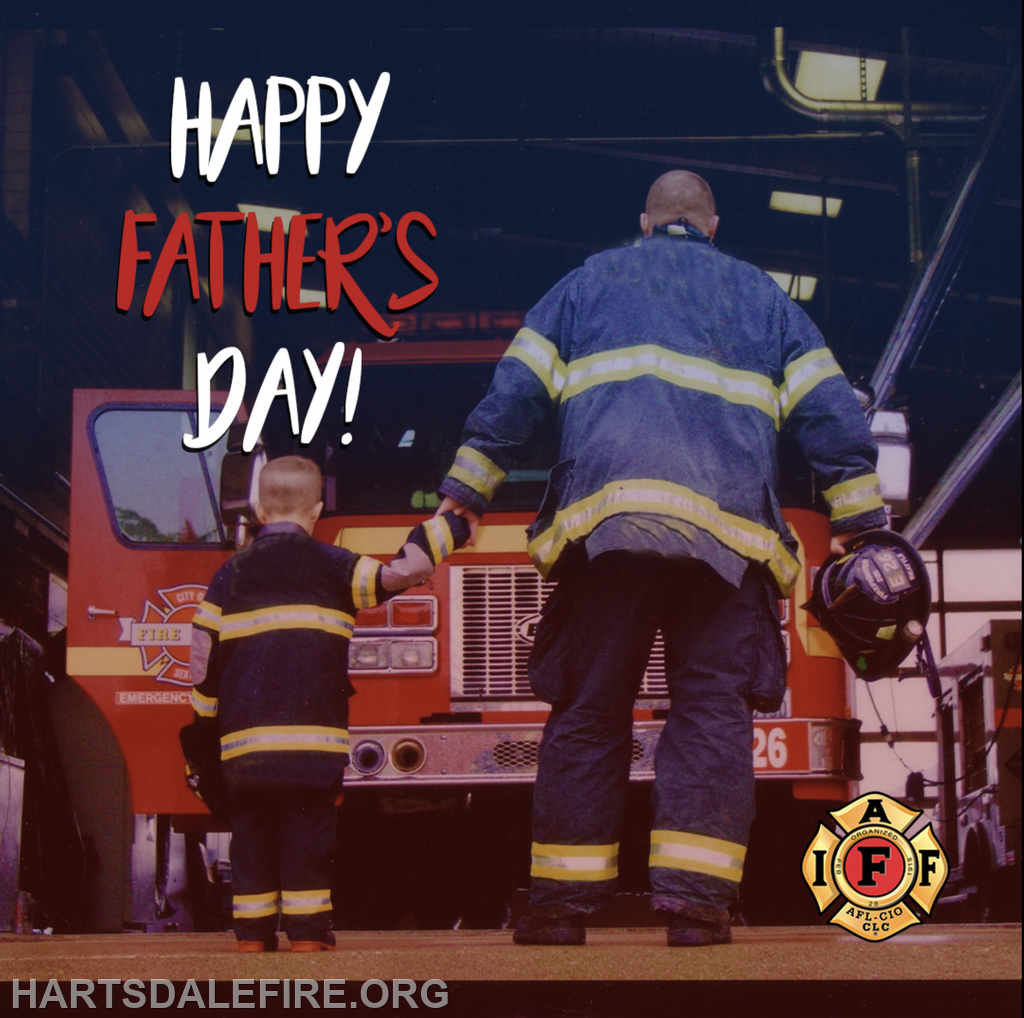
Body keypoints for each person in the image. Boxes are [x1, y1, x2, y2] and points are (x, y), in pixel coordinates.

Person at [436, 170, 887, 947]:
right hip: (728, 544)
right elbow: (830, 412)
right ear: (712, 227)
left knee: (589, 711)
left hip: (606, 535)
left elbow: (513, 396)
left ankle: (559, 910)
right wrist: (864, 527)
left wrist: (462, 497)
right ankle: (698, 910)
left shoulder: (583, 286)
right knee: (712, 710)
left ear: (646, 222)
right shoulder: (766, 299)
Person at [190, 455, 469, 951]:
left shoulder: (226, 577)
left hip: (242, 751)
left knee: (251, 838)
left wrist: (203, 732)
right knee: (307, 841)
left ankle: (251, 940)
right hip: (313, 750)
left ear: (257, 507)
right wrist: (449, 525)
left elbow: (203, 666)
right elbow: (404, 572)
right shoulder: (338, 567)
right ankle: (308, 939)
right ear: (317, 510)